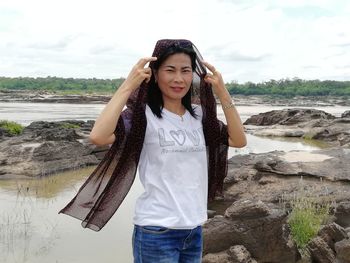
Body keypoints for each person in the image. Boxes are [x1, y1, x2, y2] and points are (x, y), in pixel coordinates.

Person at [59, 39, 246, 263]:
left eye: (185, 71)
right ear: (155, 74)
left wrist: (222, 92)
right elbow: (98, 136)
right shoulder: (143, 116)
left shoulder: (199, 115)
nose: (179, 78)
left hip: (193, 229)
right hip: (156, 232)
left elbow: (238, 140)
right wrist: (128, 85)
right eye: (170, 70)